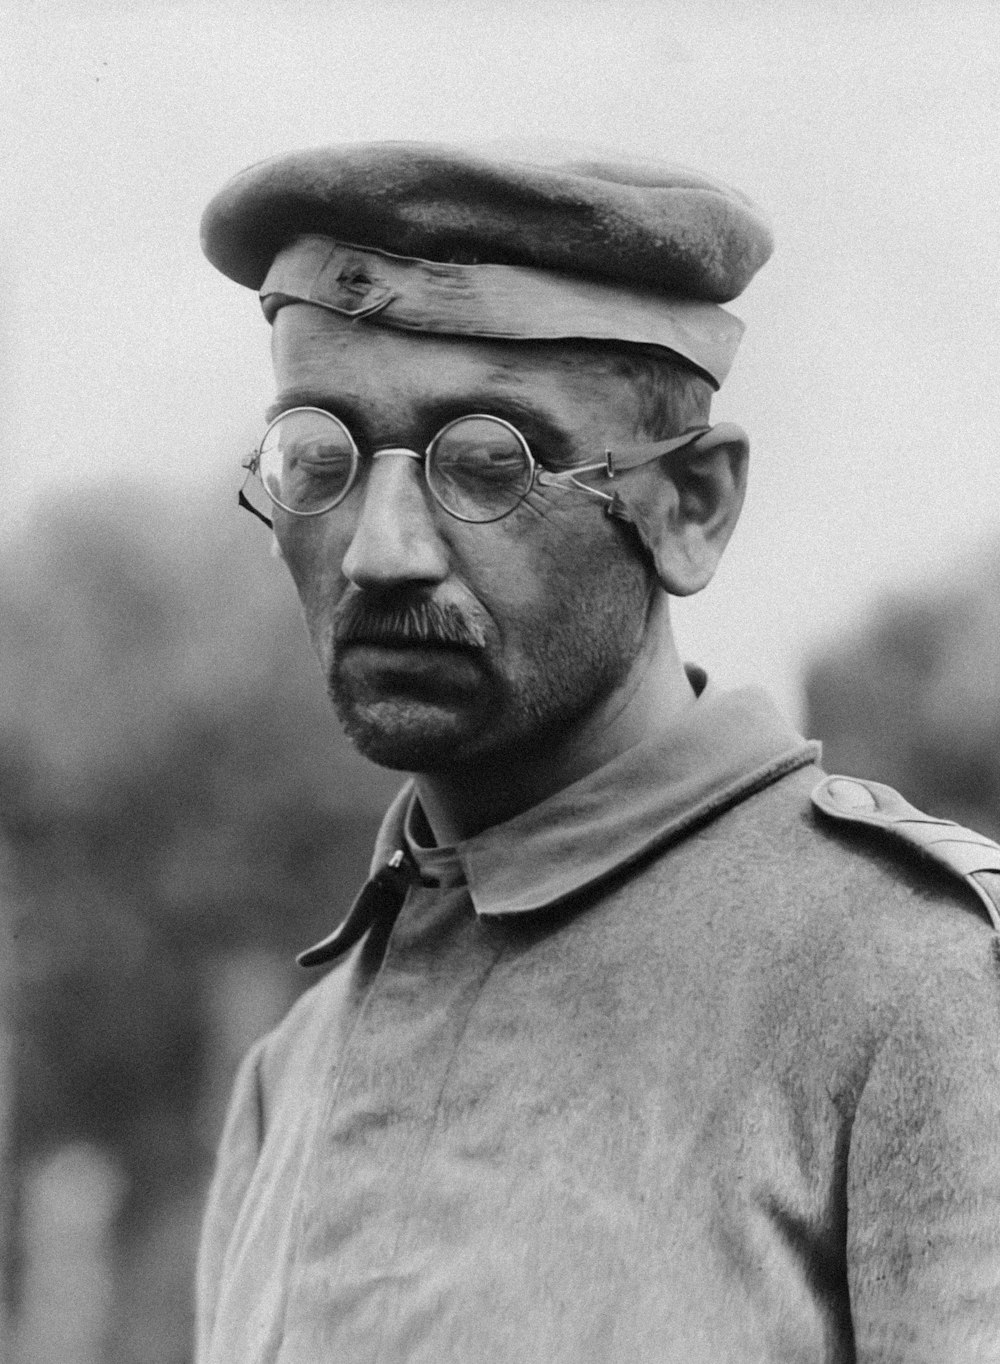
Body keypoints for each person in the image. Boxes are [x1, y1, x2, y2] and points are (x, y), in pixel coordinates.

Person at [195, 143, 1000, 1363]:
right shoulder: (284, 1080)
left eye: (486, 462)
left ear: (690, 506)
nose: (379, 551)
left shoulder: (918, 984)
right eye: (322, 458)